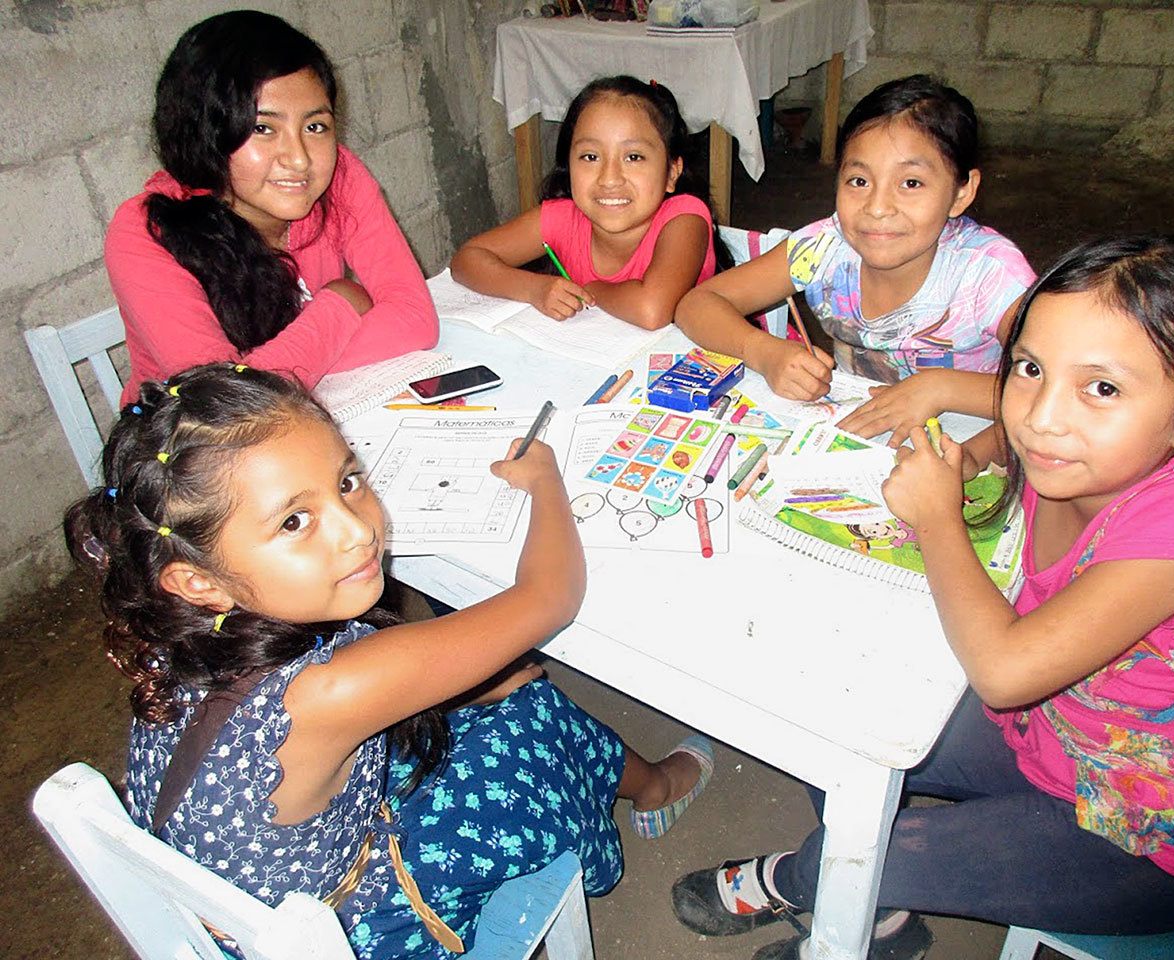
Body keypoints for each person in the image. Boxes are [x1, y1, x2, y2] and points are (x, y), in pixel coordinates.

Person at [671, 235, 1174, 960]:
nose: (1041, 417)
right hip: (1050, 732)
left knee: (851, 859)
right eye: (1030, 368)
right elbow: (1004, 438)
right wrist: (963, 458)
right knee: (834, 719)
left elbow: (1005, 672)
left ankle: (801, 883)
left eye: (1103, 389)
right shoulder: (1070, 452)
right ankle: (884, 922)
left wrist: (938, 517)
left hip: (1149, 835)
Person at [65, 363, 713, 959]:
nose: (358, 529)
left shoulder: (178, 631)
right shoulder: (330, 689)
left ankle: (629, 778)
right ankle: (655, 787)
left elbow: (338, 709)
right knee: (529, 716)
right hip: (350, 931)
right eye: (294, 522)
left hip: (242, 915)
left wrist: (461, 686)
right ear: (200, 581)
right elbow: (550, 596)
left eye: (347, 483)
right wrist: (545, 480)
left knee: (486, 692)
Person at [675, 75, 1035, 447]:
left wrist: (942, 388)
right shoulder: (825, 248)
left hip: (971, 443)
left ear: (962, 192)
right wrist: (763, 352)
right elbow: (696, 305)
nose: (877, 208)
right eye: (859, 181)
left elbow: (1058, 384)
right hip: (860, 444)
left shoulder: (989, 274)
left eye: (911, 183)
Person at [105, 11, 438, 404]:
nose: (299, 159)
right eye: (262, 128)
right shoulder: (148, 230)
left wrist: (273, 370)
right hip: (193, 436)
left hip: (307, 409)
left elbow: (416, 319)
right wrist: (340, 304)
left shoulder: (339, 175)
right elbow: (223, 403)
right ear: (205, 133)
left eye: (315, 126)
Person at [451, 75, 726, 330]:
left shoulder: (685, 219)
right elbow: (467, 259)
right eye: (590, 157)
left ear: (672, 173)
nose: (609, 178)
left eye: (633, 157)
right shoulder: (563, 218)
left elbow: (651, 310)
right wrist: (534, 288)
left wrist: (591, 288)